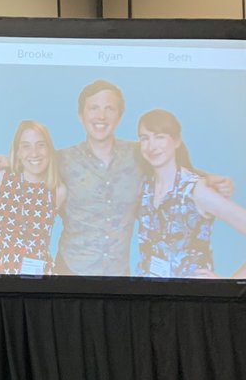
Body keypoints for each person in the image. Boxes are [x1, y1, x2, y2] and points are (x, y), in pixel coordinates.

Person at [57, 79, 234, 276]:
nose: (101, 115)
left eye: (109, 108)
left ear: (119, 116)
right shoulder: (61, 160)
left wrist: (207, 178)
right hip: (69, 274)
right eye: (94, 108)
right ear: (81, 115)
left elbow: (170, 165)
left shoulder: (138, 153)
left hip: (119, 279)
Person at [136, 109, 246, 279]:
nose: (151, 146)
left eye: (159, 136)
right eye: (145, 138)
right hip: (148, 295)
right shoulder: (144, 187)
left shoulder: (196, 190)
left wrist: (230, 283)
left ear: (177, 140)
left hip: (192, 299)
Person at [0, 121, 67, 275]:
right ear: (17, 152)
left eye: (41, 145)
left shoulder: (58, 190)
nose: (34, 153)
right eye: (26, 146)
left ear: (50, 149)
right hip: (0, 274)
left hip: (39, 280)